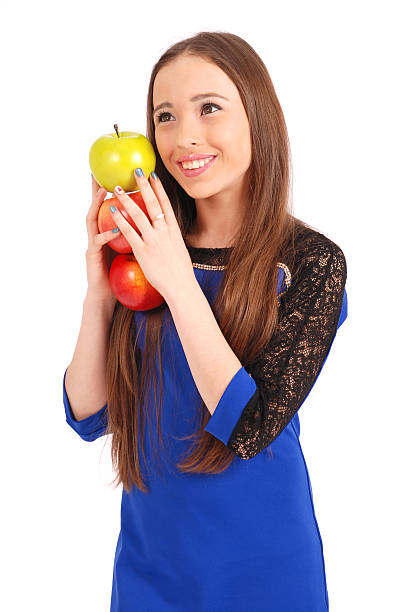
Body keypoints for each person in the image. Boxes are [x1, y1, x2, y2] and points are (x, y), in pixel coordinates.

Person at [63, 31, 348, 612]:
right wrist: (98, 296)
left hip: (265, 569)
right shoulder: (141, 252)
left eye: (209, 108)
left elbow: (250, 428)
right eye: (165, 116)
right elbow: (87, 415)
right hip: (150, 569)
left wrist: (177, 281)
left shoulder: (311, 262)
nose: (184, 137)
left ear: (257, 117)